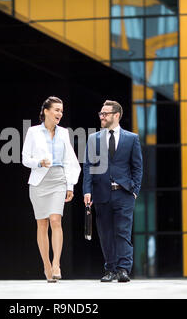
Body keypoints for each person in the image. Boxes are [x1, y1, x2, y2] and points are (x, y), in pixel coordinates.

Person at [83, 100, 143, 282]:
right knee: (106, 233)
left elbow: (137, 167)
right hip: (101, 193)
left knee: (123, 232)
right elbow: (88, 167)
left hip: (124, 193)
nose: (102, 116)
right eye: (101, 114)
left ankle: (123, 269)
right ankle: (110, 269)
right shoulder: (93, 139)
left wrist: (134, 191)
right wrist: (87, 191)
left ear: (116, 115)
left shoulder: (132, 138)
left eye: (105, 114)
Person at [22, 96, 81, 282]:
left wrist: (70, 184)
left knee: (56, 220)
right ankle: (46, 265)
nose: (59, 114)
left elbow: (70, 160)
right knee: (42, 224)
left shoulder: (64, 133)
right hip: (39, 181)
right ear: (46, 111)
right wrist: (38, 162)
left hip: (58, 179)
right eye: (56, 110)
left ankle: (56, 264)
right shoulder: (33, 132)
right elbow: (25, 158)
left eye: (61, 111)